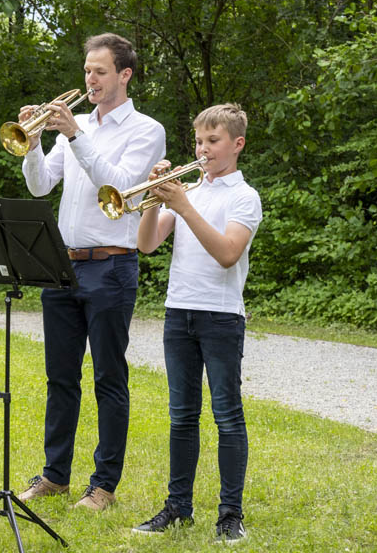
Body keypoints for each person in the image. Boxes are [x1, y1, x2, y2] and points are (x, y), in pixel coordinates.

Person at [17, 32, 166, 510]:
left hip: (112, 265)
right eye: (86, 70)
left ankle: (103, 485)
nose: (90, 79)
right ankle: (54, 476)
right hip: (62, 264)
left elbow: (119, 187)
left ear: (124, 75)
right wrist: (34, 145)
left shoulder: (146, 130)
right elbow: (41, 186)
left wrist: (75, 137)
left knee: (108, 378)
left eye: (100, 71)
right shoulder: (75, 125)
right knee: (60, 377)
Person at [131, 104, 261, 543]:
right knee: (182, 417)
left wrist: (184, 205)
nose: (203, 149)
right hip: (178, 311)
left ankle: (230, 515)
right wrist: (153, 199)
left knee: (227, 416)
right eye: (199, 141)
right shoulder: (191, 191)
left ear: (237, 144)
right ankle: (177, 508)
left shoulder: (244, 196)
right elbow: (147, 244)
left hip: (221, 316)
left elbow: (227, 253)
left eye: (213, 141)